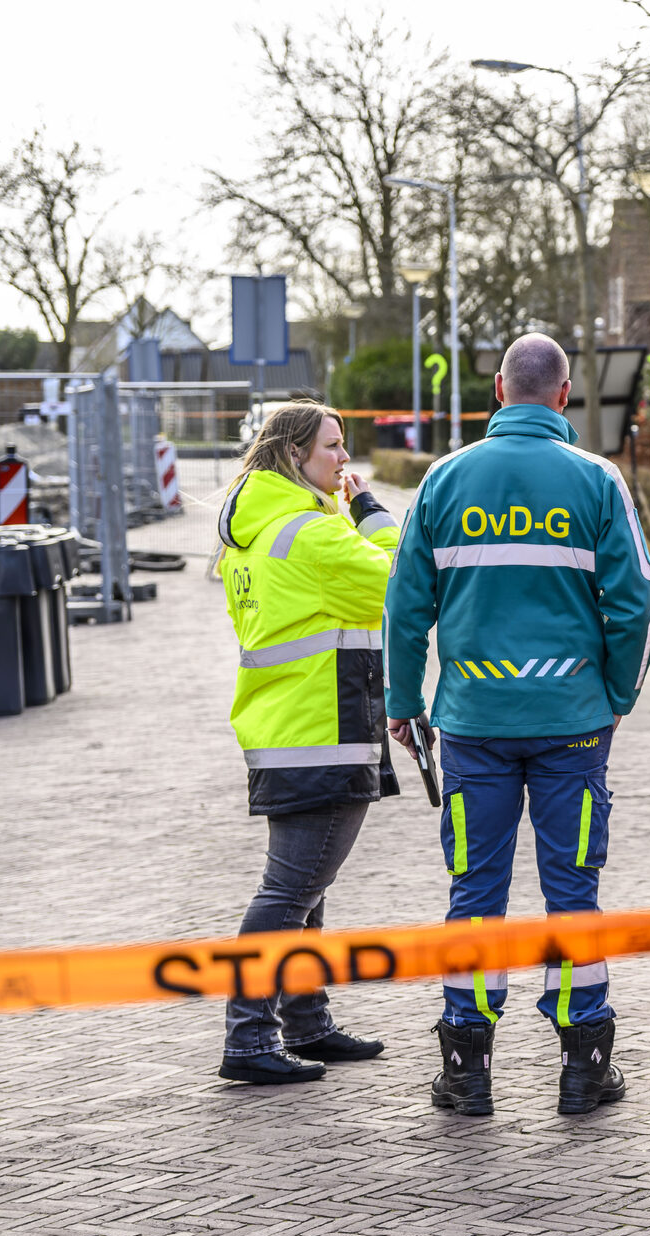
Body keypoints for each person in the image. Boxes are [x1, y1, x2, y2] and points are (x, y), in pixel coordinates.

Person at [385, 334, 650, 1117]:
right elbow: (635, 603)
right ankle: (584, 1067)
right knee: (574, 892)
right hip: (573, 724)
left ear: (499, 390)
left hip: (473, 725)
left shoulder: (443, 479)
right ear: (564, 396)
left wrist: (406, 703)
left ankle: (467, 1073)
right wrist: (614, 697)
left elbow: (405, 608)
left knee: (476, 893)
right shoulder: (597, 481)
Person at [216, 400, 400, 1085]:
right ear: (295, 455)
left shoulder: (257, 529)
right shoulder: (313, 535)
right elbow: (403, 579)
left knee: (305, 892)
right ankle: (248, 1038)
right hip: (323, 730)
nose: (344, 460)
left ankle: (306, 1022)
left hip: (284, 730)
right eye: (333, 447)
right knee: (288, 893)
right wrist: (370, 510)